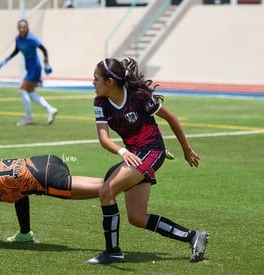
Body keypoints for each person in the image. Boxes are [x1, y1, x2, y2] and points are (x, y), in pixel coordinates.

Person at [86, 57, 209, 264]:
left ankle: (112, 251)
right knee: (137, 217)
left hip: (152, 151)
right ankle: (193, 236)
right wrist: (123, 152)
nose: (93, 83)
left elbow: (171, 118)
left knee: (106, 191)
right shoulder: (100, 102)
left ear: (110, 81)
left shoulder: (139, 96)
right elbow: (104, 139)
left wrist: (186, 149)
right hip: (134, 155)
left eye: (96, 78)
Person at [0, 19, 58, 126]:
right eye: (20, 27)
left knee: (22, 90)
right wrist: (6, 60)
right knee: (29, 92)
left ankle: (29, 117)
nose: (22, 29)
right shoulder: (18, 39)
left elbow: (44, 49)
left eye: (24, 27)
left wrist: (46, 63)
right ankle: (50, 109)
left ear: (27, 28)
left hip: (35, 67)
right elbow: (16, 50)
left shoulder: (31, 38)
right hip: (29, 67)